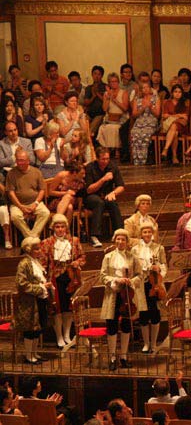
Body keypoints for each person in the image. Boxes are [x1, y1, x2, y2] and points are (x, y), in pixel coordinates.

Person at [39, 214, 85, 348]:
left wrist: (77, 262)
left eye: (62, 226)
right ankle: (59, 337)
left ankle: (66, 335)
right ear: (53, 228)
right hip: (55, 278)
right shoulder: (46, 242)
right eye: (57, 226)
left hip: (71, 278)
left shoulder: (74, 241)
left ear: (66, 227)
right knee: (57, 309)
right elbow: (42, 263)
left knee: (69, 308)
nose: (60, 229)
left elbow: (82, 256)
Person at [99, 228, 143, 371]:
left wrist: (130, 281)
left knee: (125, 326)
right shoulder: (108, 257)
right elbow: (103, 276)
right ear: (114, 240)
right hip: (112, 295)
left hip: (127, 296)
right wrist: (117, 280)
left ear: (127, 242)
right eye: (118, 239)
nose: (120, 241)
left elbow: (139, 275)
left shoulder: (132, 257)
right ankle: (112, 357)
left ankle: (123, 357)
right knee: (111, 326)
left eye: (123, 239)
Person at [16, 236, 54, 364]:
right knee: (30, 330)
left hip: (39, 300)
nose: (39, 251)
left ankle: (35, 353)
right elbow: (22, 284)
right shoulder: (24, 263)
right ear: (29, 250)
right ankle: (29, 356)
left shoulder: (36, 262)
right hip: (29, 302)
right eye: (36, 249)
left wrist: (45, 285)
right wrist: (41, 287)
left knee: (38, 329)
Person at [131, 223, 167, 353]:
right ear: (141, 234)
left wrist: (159, 271)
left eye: (149, 232)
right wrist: (146, 268)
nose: (147, 234)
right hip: (141, 284)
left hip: (155, 283)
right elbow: (134, 267)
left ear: (152, 233)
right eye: (144, 232)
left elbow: (164, 265)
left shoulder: (159, 248)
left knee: (155, 314)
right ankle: (146, 343)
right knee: (144, 314)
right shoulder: (135, 249)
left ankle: (154, 343)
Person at [85, 147, 125, 247]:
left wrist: (114, 193)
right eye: (103, 159)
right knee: (99, 203)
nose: (106, 161)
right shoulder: (90, 167)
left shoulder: (112, 167)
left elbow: (121, 186)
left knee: (112, 202)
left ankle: (119, 233)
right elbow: (89, 189)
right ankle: (94, 236)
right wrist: (103, 179)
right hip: (91, 196)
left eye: (107, 159)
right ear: (97, 159)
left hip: (106, 194)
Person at [6, 149, 51, 238]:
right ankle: (32, 238)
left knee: (45, 213)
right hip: (17, 204)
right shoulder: (11, 173)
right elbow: (11, 193)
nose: (19, 163)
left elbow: (42, 189)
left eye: (22, 160)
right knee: (15, 216)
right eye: (18, 160)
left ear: (28, 161)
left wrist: (36, 203)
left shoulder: (36, 172)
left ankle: (31, 238)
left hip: (35, 202)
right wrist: (20, 206)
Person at [130, 81, 160, 165]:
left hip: (151, 121)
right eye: (143, 88)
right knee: (135, 133)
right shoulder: (137, 99)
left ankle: (145, 159)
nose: (145, 89)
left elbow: (157, 114)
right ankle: (137, 160)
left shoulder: (155, 98)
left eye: (147, 87)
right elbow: (134, 114)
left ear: (150, 88)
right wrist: (142, 108)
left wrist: (150, 106)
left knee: (145, 133)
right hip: (140, 121)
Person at [160, 84, 189, 165]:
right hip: (170, 125)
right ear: (172, 93)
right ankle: (174, 156)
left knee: (174, 125)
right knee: (175, 132)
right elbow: (164, 116)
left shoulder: (185, 103)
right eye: (175, 92)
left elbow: (186, 118)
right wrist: (178, 115)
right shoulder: (167, 102)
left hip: (181, 125)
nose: (177, 93)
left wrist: (173, 116)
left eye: (179, 92)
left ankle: (165, 149)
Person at [83, 65, 107, 138]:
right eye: (95, 74)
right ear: (92, 75)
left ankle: (88, 144)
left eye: (99, 74)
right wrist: (93, 96)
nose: (96, 76)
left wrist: (97, 93)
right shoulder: (88, 88)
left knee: (90, 130)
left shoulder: (106, 87)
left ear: (102, 76)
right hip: (89, 113)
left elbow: (107, 101)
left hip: (100, 114)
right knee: (82, 125)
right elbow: (86, 103)